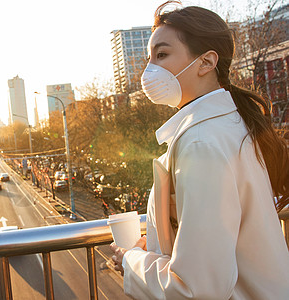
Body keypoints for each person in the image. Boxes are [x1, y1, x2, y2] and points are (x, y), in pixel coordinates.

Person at [110, 1, 289, 299]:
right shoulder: (231, 125)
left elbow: (194, 289)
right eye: (149, 57)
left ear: (206, 62)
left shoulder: (202, 143)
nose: (149, 69)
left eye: (162, 54)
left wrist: (131, 260)